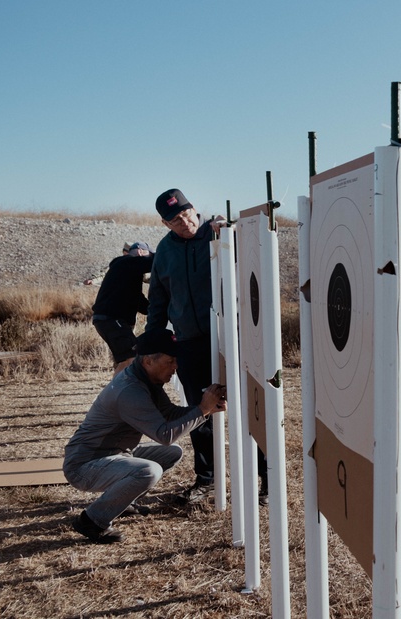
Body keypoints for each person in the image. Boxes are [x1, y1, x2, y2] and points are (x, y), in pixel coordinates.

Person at [146, 189, 268, 505]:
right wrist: (153, 341)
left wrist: (230, 230)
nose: (185, 222)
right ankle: (207, 480)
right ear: (165, 223)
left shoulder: (218, 233)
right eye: (175, 220)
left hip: (230, 338)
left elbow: (253, 253)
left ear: (194, 209)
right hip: (188, 344)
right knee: (199, 412)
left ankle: (265, 478)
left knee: (247, 407)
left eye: (187, 214)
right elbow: (158, 300)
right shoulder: (164, 251)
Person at [64, 328, 228, 543]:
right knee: (149, 471)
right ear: (148, 361)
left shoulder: (143, 379)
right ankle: (92, 520)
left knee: (171, 453)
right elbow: (165, 434)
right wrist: (202, 410)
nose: (176, 367)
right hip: (85, 467)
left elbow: (168, 414)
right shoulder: (130, 391)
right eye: (170, 361)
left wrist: (204, 408)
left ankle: (121, 502)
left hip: (113, 455)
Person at [90, 241, 154, 375]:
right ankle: (115, 394)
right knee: (132, 359)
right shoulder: (127, 262)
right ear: (141, 252)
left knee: (126, 361)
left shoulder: (127, 271)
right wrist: (167, 253)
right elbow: (152, 263)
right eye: (148, 255)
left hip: (107, 320)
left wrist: (155, 311)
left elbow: (138, 300)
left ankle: (118, 393)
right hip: (112, 319)